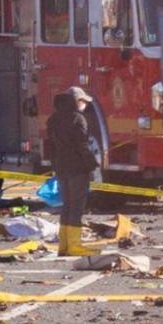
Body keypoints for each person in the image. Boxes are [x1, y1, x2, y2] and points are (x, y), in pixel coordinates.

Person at [46, 85, 99, 257]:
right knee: (77, 206)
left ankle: (64, 245)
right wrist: (92, 164)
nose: (85, 104)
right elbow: (82, 144)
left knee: (66, 205)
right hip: (77, 168)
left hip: (61, 168)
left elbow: (50, 146)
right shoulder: (78, 119)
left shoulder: (53, 119)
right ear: (77, 101)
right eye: (83, 101)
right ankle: (75, 245)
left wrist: (54, 164)